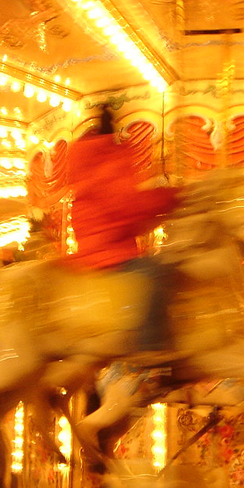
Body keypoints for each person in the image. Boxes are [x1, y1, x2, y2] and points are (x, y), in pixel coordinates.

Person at [64, 106, 181, 351]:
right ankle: (151, 347)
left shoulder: (88, 164)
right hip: (108, 253)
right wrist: (172, 197)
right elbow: (128, 206)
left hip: (99, 247)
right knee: (155, 271)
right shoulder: (107, 163)